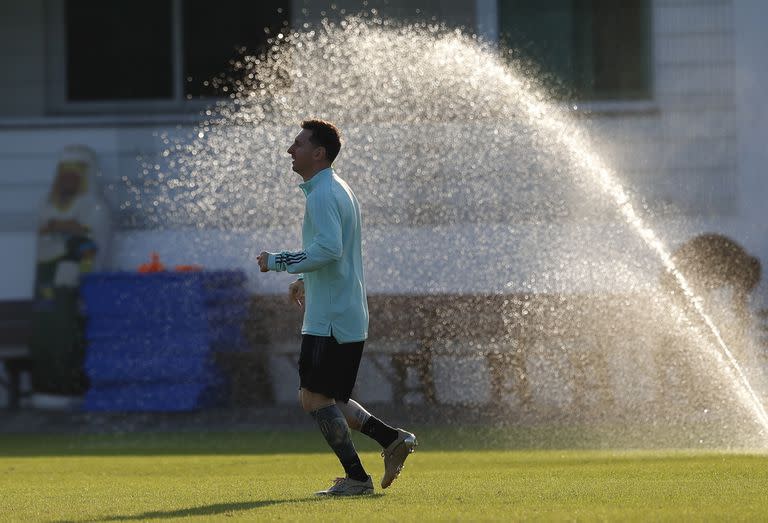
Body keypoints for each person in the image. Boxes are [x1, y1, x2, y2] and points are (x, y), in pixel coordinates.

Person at [257, 119, 417, 496]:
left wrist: (277, 261)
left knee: (315, 398)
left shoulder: (324, 194)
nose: (289, 150)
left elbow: (329, 250)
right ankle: (392, 440)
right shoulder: (333, 188)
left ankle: (358, 478)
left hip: (331, 318)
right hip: (335, 312)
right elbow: (330, 252)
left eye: (297, 144)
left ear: (319, 153)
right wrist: (304, 279)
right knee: (321, 398)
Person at [29, 145, 112, 399]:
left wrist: (64, 231)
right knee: (46, 336)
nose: (68, 178)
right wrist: (64, 227)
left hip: (73, 284)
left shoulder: (95, 207)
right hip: (46, 283)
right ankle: (45, 389)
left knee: (69, 337)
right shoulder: (46, 203)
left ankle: (70, 390)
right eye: (64, 172)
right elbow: (45, 232)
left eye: (75, 173)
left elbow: (95, 245)